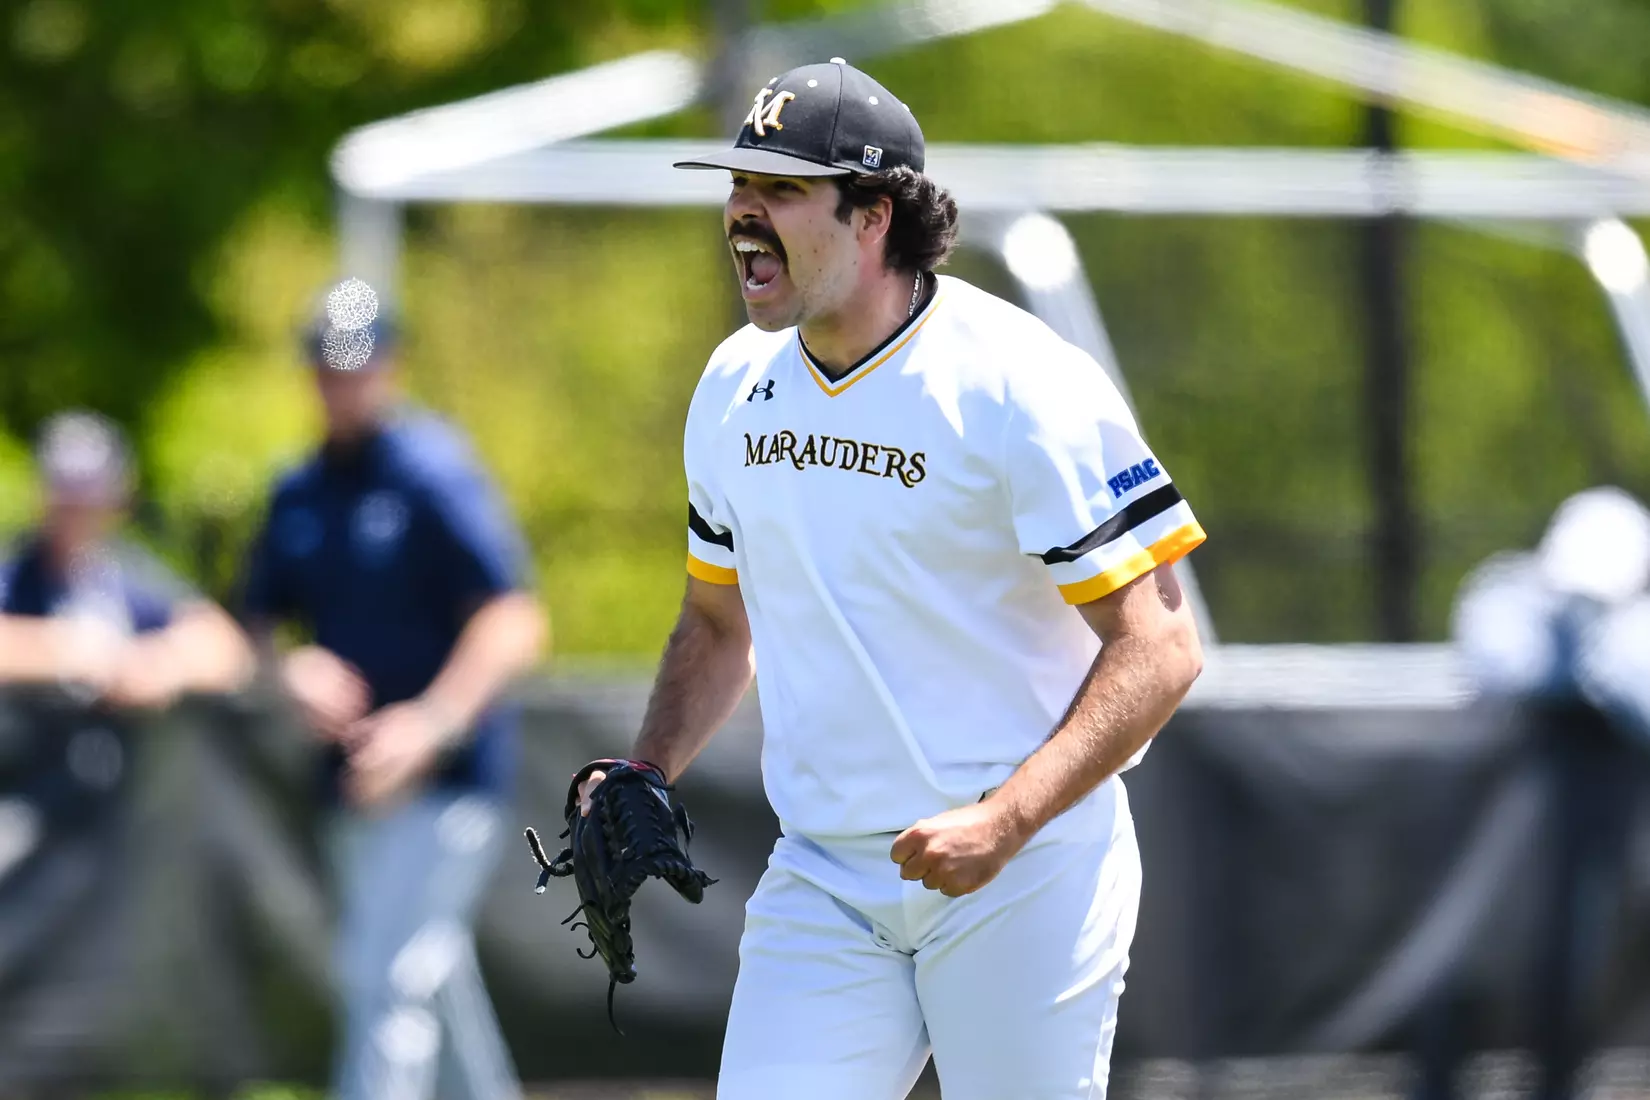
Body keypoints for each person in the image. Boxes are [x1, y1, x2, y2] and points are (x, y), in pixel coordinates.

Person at [579, 59, 1207, 1099]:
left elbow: (1163, 644)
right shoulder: (736, 384)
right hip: (826, 874)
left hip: (1026, 869)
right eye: (737, 186)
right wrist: (647, 767)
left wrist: (1004, 819)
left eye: (778, 190)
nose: (741, 214)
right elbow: (715, 620)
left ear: (872, 214)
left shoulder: (1016, 383)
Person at [240, 304, 546, 1100]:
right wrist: (288, 668)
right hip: (352, 784)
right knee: (428, 976)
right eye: (328, 365)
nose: (342, 383)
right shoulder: (299, 488)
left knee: (383, 980)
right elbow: (252, 624)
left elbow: (514, 619)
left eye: (356, 363)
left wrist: (430, 724)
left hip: (442, 781)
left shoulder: (431, 471)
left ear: (389, 363)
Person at [0, 410, 252, 708]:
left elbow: (227, 649)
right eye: (66, 490)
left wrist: (161, 663)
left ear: (118, 498)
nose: (77, 507)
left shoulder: (125, 573)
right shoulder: (16, 575)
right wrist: (75, 651)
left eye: (89, 491)